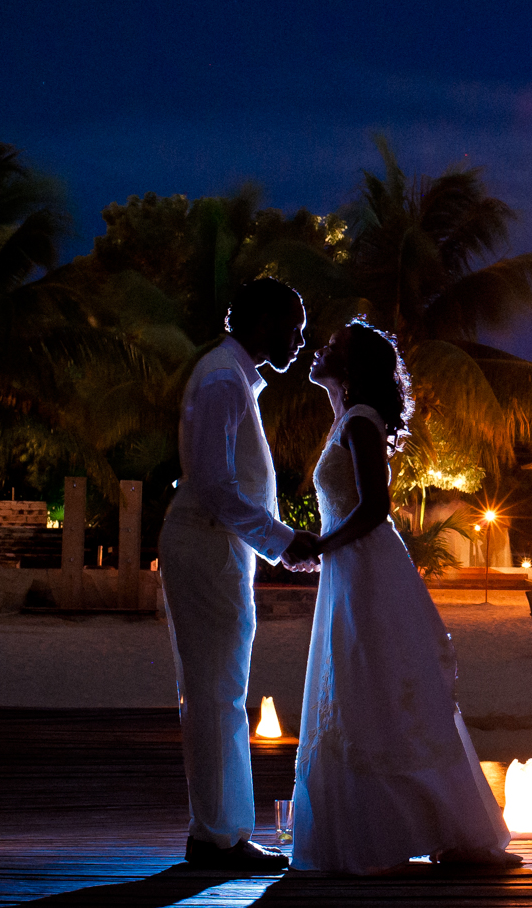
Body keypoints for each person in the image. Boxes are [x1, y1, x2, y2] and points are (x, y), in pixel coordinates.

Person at [291, 320, 518, 873]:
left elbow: (372, 509)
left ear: (350, 369)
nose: (321, 350)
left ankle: (430, 829)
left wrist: (320, 544)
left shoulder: (362, 422)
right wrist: (325, 551)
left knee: (376, 685)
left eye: (333, 346)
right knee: (361, 688)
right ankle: (379, 833)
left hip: (367, 569)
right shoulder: (345, 421)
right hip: (351, 568)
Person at [161, 277, 320, 871]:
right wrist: (283, 542)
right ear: (262, 322)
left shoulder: (227, 376)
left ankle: (219, 833)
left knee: (218, 692)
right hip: (208, 548)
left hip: (213, 548)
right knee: (216, 695)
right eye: (294, 327)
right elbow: (216, 488)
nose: (301, 341)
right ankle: (216, 838)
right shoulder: (226, 380)